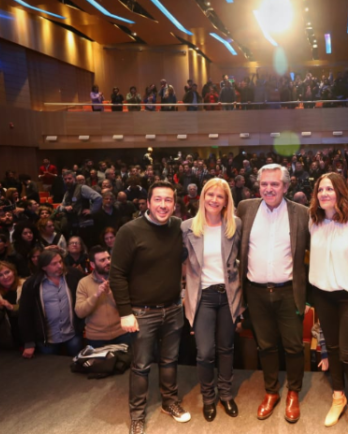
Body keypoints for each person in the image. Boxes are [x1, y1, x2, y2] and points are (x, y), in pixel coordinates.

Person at [110, 181, 190, 434]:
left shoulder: (178, 227)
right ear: (147, 202)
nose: (163, 205)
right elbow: (117, 275)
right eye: (158, 199)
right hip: (142, 312)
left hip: (173, 308)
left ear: (175, 204)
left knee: (169, 361)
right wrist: (125, 312)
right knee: (141, 365)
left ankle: (170, 402)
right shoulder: (129, 231)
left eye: (168, 200)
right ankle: (137, 414)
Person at [236, 164, 310, 423]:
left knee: (292, 346)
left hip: (289, 292)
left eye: (275, 184)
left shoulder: (302, 213)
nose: (268, 189)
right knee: (265, 346)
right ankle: (271, 392)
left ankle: (293, 391)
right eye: (264, 184)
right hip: (255, 292)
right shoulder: (245, 208)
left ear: (286, 187)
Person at [308, 173, 348, 434]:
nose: (324, 193)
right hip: (323, 295)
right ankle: (338, 396)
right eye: (320, 189)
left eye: (330, 189)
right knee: (331, 348)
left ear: (341, 192)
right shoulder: (315, 222)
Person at [182, 178, 243, 422]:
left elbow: (241, 261)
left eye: (220, 196)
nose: (214, 200)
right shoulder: (187, 227)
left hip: (228, 296)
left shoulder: (235, 225)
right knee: (205, 352)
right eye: (210, 195)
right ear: (202, 197)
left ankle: (226, 395)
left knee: (226, 349)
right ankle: (209, 398)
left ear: (226, 200)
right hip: (203, 296)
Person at [18, 249, 85, 358]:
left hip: (73, 334)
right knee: (51, 371)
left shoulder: (73, 275)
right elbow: (25, 315)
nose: (60, 266)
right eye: (54, 264)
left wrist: (82, 325)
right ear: (44, 267)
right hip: (47, 339)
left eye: (60, 262)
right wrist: (29, 342)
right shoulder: (32, 284)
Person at [75, 246, 130, 348]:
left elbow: (128, 307)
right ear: (92, 264)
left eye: (109, 258)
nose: (108, 262)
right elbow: (80, 312)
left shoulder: (119, 279)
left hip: (122, 334)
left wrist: (109, 293)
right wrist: (96, 295)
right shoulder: (84, 283)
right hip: (96, 339)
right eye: (102, 260)